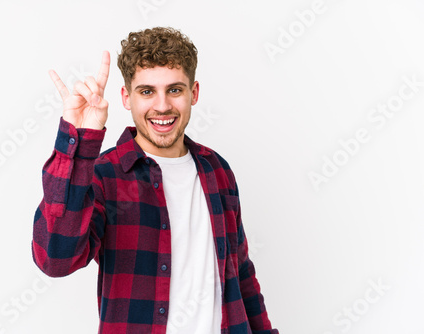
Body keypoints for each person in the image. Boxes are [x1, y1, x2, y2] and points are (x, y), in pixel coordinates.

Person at [32, 27, 279, 334]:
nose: (162, 106)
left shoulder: (217, 171)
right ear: (126, 97)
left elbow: (240, 274)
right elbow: (55, 259)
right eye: (147, 91)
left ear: (194, 93)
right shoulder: (105, 175)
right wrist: (81, 143)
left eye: (174, 90)